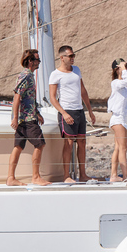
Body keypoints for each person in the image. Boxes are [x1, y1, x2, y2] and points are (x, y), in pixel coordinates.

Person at [49, 45, 97, 182]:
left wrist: (90, 110)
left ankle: (83, 174)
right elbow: (53, 97)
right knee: (69, 143)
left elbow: (83, 90)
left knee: (82, 142)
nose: (72, 58)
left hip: (79, 110)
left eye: (73, 55)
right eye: (70, 56)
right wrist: (63, 113)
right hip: (67, 110)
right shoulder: (55, 74)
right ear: (62, 57)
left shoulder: (76, 70)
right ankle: (66, 176)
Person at [7, 49, 51, 186]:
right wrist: (15, 118)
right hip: (27, 119)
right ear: (31, 61)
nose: (39, 62)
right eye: (37, 60)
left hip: (27, 117)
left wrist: (37, 112)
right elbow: (17, 97)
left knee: (18, 146)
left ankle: (10, 178)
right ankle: (36, 177)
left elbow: (29, 98)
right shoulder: (26, 76)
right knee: (40, 144)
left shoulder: (28, 75)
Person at [107, 58, 127, 182]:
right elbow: (125, 81)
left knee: (118, 148)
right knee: (123, 148)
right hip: (118, 118)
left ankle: (114, 175)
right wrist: (124, 71)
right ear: (117, 68)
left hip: (123, 119)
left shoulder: (125, 87)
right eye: (124, 66)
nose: (126, 69)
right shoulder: (115, 83)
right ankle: (126, 176)